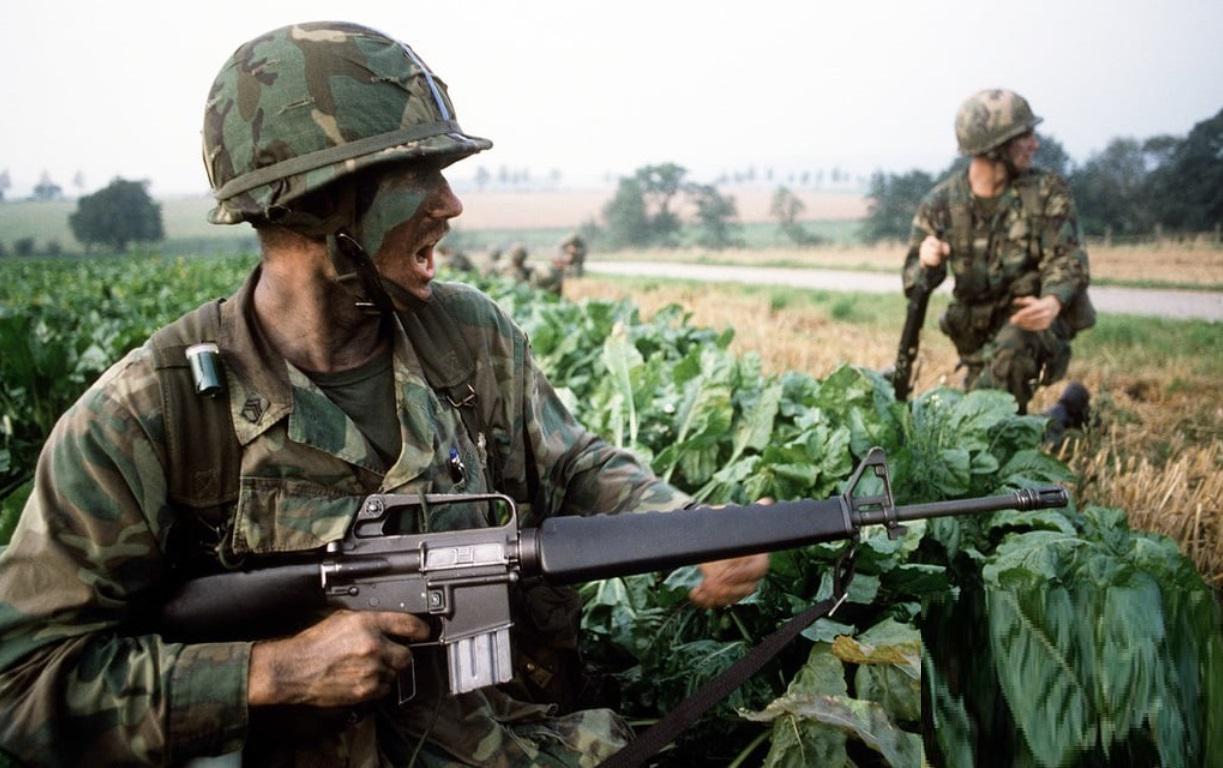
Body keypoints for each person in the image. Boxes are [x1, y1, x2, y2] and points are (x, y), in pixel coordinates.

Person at [0, 22, 767, 767]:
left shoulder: (466, 334)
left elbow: (569, 465)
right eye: (416, 175)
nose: (450, 203)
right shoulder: (145, 416)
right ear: (314, 203)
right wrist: (271, 672)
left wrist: (683, 527)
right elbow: (23, 688)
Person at [902, 89, 1095, 415]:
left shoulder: (1047, 192)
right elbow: (913, 282)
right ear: (993, 147)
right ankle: (1067, 413)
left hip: (1034, 323)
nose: (1035, 144)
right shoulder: (941, 203)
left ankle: (1041, 416)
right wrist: (928, 262)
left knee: (985, 419)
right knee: (992, 417)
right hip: (978, 334)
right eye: (1024, 136)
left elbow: (1068, 258)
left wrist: (1052, 301)